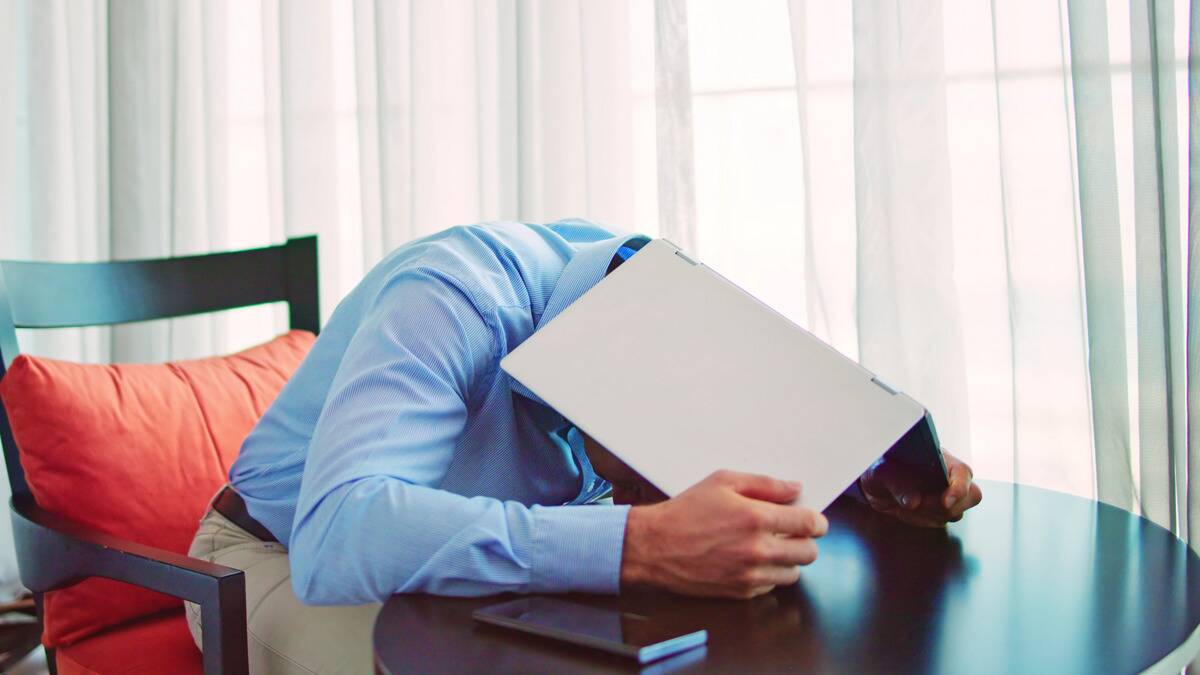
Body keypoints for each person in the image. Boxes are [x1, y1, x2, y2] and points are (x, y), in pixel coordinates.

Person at [184, 219, 983, 673]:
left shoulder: (648, 299)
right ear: (607, 376)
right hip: (267, 558)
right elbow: (337, 539)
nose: (674, 481)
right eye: (665, 450)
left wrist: (861, 473)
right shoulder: (455, 294)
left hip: (439, 579)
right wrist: (639, 542)